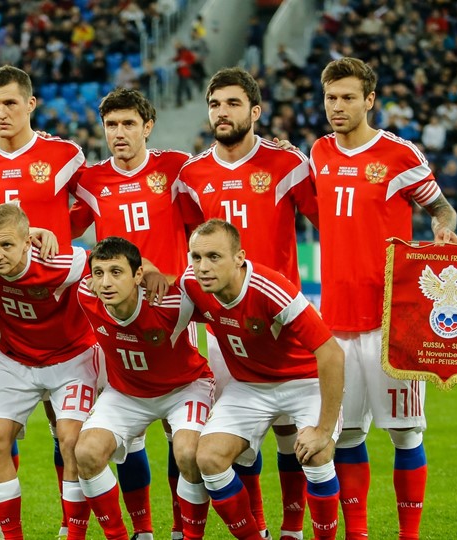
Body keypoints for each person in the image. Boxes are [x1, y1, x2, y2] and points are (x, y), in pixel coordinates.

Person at [309, 57, 457, 540]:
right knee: (348, 434)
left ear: (370, 100)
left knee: (405, 432)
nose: (338, 106)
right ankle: (358, 534)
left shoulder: (399, 155)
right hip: (334, 319)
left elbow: (440, 205)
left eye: (348, 97)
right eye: (331, 97)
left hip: (391, 320)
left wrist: (443, 226)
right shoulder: (319, 152)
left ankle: (408, 535)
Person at [177, 66, 318, 540]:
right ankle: (254, 527)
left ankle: (294, 529)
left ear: (255, 111)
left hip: (282, 318)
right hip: (224, 327)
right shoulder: (192, 175)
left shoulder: (287, 163)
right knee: (241, 444)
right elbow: (189, 244)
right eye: (215, 104)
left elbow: (328, 222)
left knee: (287, 433)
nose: (222, 112)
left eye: (234, 104)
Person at [0, 65, 86, 540]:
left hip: (57, 308)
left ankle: (69, 525)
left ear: (31, 104)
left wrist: (56, 239)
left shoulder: (65, 155)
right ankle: (2, 528)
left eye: (10, 103)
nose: (1, 112)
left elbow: (95, 204)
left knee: (67, 429)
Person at [69, 87, 191, 539]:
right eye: (111, 125)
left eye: (128, 124)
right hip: (117, 325)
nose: (119, 134)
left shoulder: (176, 169)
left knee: (180, 438)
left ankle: (181, 528)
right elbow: (68, 226)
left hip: (176, 320)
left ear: (148, 126)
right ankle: (141, 531)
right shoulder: (91, 180)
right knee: (131, 437)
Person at [183, 219, 344, 540]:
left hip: (304, 382)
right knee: (208, 458)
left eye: (214, 257)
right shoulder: (192, 285)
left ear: (239, 258)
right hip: (249, 387)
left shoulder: (270, 288)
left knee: (316, 454)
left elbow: (331, 353)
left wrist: (324, 431)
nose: (202, 267)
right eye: (196, 257)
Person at [0, 203, 97, 540]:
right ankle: (11, 536)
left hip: (70, 360)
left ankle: (74, 534)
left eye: (6, 245)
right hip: (16, 361)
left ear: (27, 243)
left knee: (72, 439)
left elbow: (111, 263)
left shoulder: (63, 263)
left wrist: (148, 272)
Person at [75, 237, 215, 540]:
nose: (106, 282)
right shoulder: (85, 294)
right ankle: (119, 536)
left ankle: (190, 536)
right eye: (98, 273)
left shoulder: (173, 303)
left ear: (138, 276)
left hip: (184, 389)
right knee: (85, 453)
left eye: (116, 272)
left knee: (188, 454)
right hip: (125, 393)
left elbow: (224, 307)